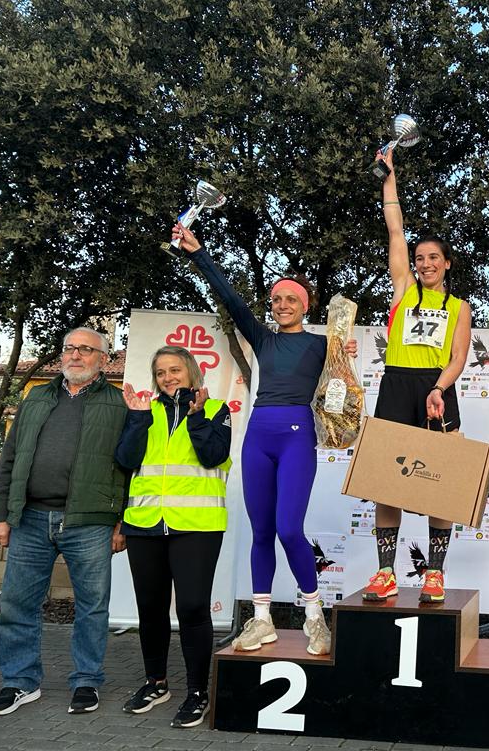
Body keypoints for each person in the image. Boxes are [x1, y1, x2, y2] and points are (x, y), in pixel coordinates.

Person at [172, 223, 348, 656]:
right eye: (277, 299)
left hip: (296, 437)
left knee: (290, 529)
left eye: (292, 299)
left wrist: (344, 357)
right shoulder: (263, 338)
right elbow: (230, 298)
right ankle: (262, 619)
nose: (283, 304)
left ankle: (314, 616)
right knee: (261, 532)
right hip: (257, 438)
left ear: (306, 306)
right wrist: (199, 254)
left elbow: (345, 394)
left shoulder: (323, 343)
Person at [0, 327, 127, 716]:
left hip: (91, 521)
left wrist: (123, 523)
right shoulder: (35, 398)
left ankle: (85, 682)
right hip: (30, 518)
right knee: (17, 603)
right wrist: (1, 516)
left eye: (85, 349)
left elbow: (132, 470)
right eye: (69, 349)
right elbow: (10, 460)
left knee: (92, 606)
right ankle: (19, 682)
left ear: (103, 358)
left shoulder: (120, 405)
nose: (75, 356)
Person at [361, 145, 471, 604]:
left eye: (433, 258)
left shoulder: (459, 307)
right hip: (396, 383)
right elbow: (395, 228)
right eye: (420, 257)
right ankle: (386, 572)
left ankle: (435, 574)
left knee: (439, 482)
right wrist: (390, 178)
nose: (424, 263)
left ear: (447, 264)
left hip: (436, 390)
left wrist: (440, 388)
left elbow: (459, 357)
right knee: (387, 479)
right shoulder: (403, 289)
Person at [116, 346, 231, 727]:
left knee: (193, 608)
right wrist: (135, 418)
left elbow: (213, 456)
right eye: (161, 371)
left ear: (191, 372)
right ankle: (156, 682)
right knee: (150, 609)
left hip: (197, 526)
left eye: (175, 370)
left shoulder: (216, 411)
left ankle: (198, 691)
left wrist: (197, 417)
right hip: (146, 523)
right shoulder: (145, 410)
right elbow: (127, 460)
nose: (168, 377)